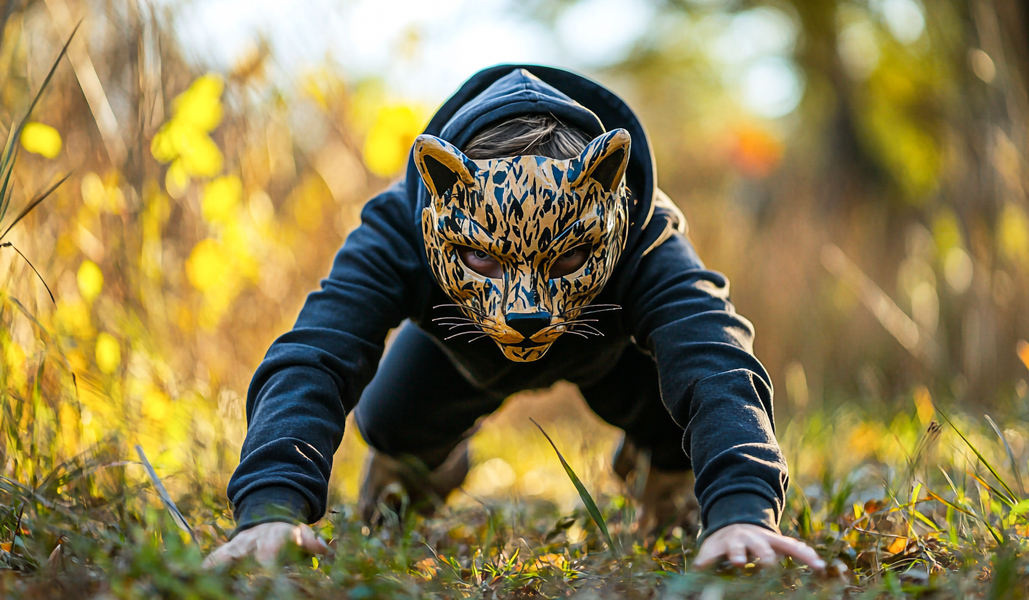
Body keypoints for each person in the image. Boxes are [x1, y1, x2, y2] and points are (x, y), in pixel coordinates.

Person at [204, 66, 824, 571]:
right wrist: (271, 507)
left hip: (610, 353)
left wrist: (743, 508)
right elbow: (318, 348)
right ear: (438, 189)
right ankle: (425, 466)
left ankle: (663, 471)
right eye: (482, 257)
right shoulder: (399, 225)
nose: (525, 310)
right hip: (456, 355)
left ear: (607, 195)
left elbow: (711, 349)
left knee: (683, 400)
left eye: (572, 254)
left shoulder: (641, 227)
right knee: (389, 424)